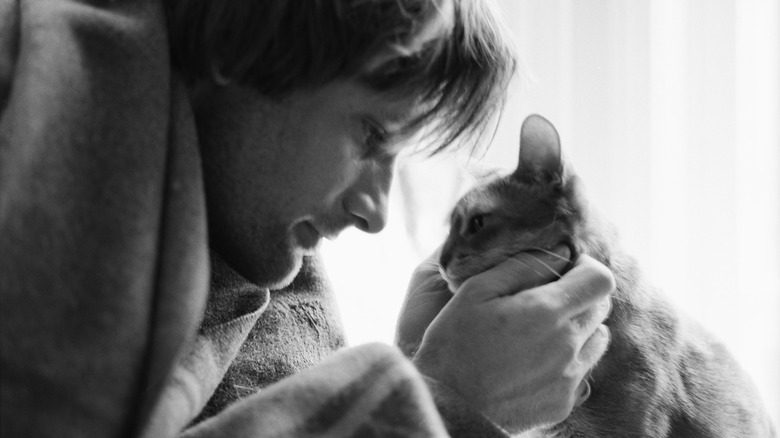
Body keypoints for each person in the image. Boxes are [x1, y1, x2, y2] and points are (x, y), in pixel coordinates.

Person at [0, 0, 613, 436]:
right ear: (257, 41)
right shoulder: (31, 97)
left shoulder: (274, 286)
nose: (374, 213)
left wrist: (411, 365)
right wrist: (444, 398)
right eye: (372, 134)